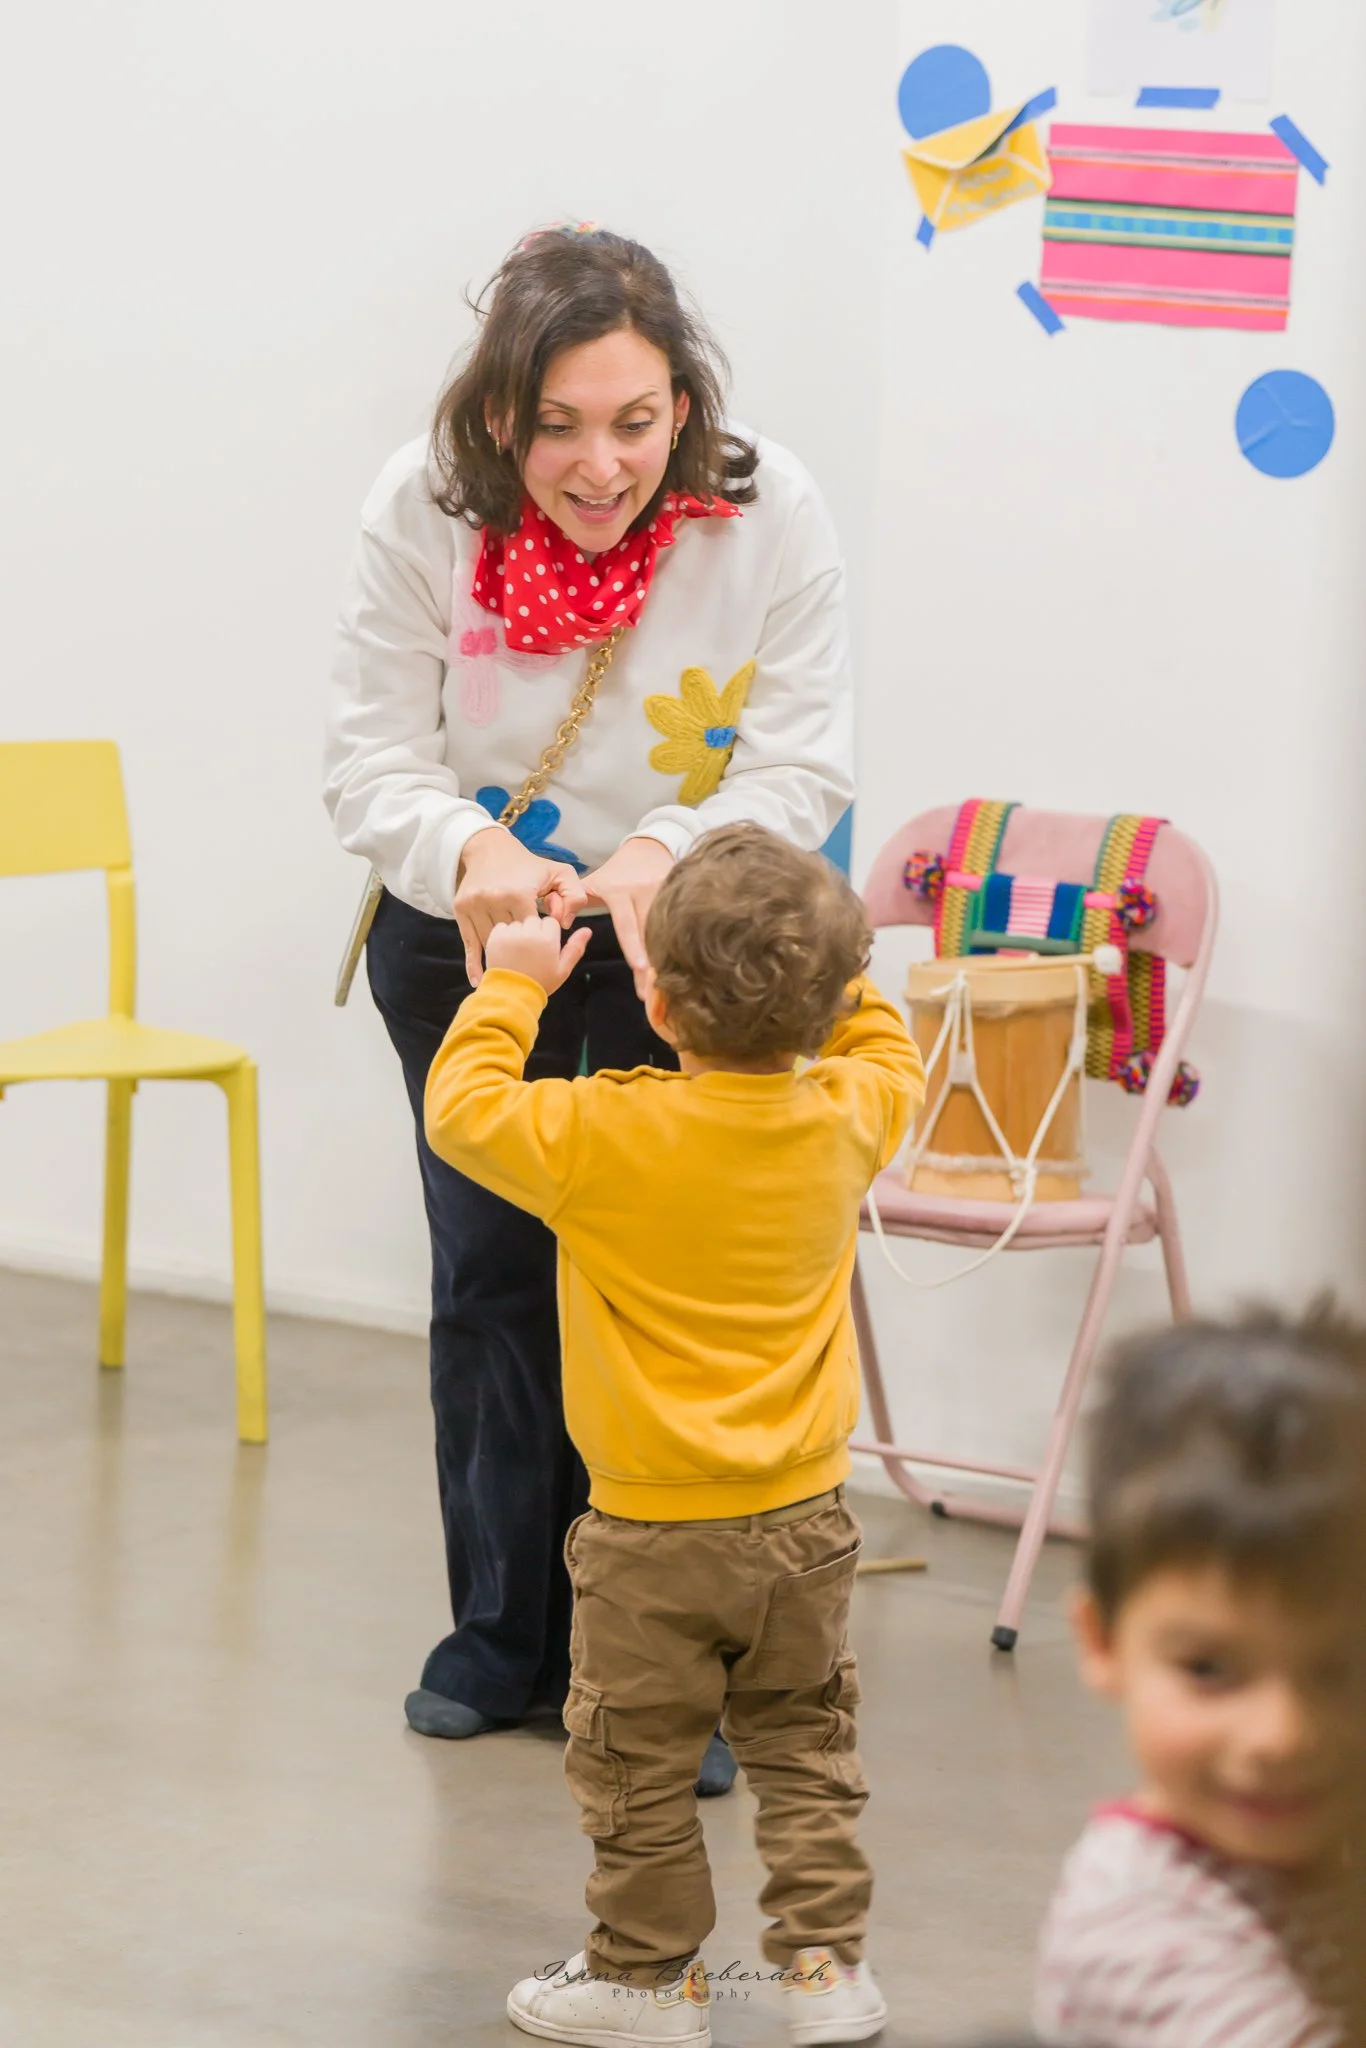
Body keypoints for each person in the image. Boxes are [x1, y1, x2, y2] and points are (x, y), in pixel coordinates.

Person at [322, 225, 853, 1792]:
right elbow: (369, 758)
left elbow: (802, 757)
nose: (598, 462)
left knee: (646, 1297)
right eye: (555, 424)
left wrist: (654, 859)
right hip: (470, 933)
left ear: (681, 402)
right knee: (489, 1278)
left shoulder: (766, 510)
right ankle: (499, 1636)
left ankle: (651, 1676)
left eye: (632, 420)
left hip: (677, 937)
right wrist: (473, 851)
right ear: (498, 416)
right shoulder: (416, 506)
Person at [420, 825, 924, 2046]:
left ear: (652, 993)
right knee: (805, 1747)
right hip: (806, 1523)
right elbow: (881, 1036)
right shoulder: (849, 1116)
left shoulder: (601, 1134)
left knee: (635, 1762)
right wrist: (821, 972)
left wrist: (510, 984)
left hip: (651, 1534)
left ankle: (643, 1983)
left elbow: (462, 1108)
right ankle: (823, 1974)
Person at [1034, 1305, 1366, 2048]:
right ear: (1104, 1642)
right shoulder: (1138, 1934)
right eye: (1211, 1670)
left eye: (1342, 1670)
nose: (1283, 1735)